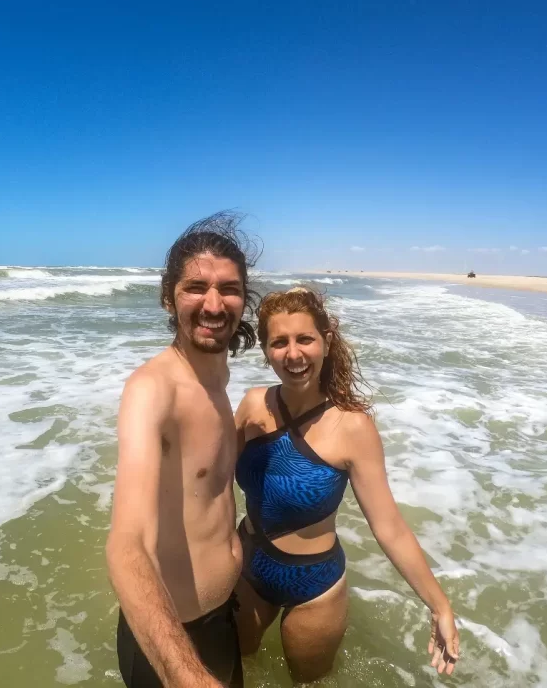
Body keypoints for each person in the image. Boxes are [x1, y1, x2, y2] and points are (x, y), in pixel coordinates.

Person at [233, 287, 460, 683]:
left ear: (325, 341)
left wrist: (439, 606)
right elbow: (212, 483)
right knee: (238, 670)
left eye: (305, 339)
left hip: (313, 584)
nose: (293, 354)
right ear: (266, 350)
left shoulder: (353, 427)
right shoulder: (254, 404)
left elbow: (388, 527)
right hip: (248, 563)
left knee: (308, 682)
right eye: (279, 342)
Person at [106, 212, 260, 688]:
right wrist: (183, 674)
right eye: (196, 287)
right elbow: (126, 546)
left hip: (222, 618)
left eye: (229, 289)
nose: (214, 304)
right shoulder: (153, 390)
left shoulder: (219, 377)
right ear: (168, 296)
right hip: (173, 643)